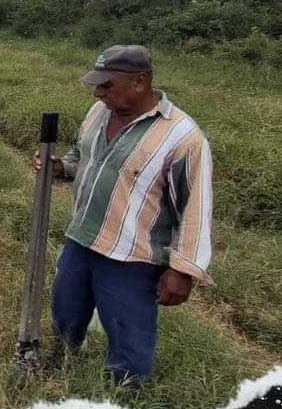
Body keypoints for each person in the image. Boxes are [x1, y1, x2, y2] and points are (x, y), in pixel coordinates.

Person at [33, 44, 213, 386]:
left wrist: (183, 271)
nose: (99, 93)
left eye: (106, 85)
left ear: (140, 82)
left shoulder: (182, 137)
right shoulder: (99, 113)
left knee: (129, 336)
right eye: (97, 85)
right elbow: (81, 155)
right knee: (66, 314)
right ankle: (64, 368)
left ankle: (127, 392)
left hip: (131, 256)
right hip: (82, 236)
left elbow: (195, 209)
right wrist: (60, 168)